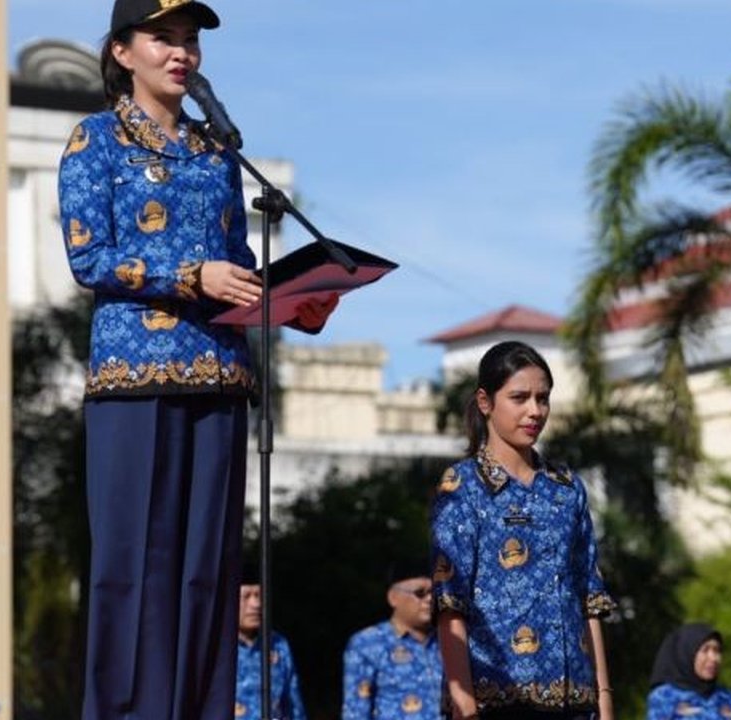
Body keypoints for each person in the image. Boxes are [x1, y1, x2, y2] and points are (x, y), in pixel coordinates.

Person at [57, 1, 334, 718]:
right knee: (133, 570)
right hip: (134, 383)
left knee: (207, 573)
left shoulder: (218, 154)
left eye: (189, 41)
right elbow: (90, 258)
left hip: (220, 381)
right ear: (122, 52)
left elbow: (236, 269)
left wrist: (291, 303)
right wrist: (191, 276)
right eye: (163, 38)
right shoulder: (96, 139)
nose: (181, 53)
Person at [430, 340, 616, 720]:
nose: (535, 411)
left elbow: (589, 600)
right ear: (485, 402)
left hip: (576, 703)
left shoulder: (567, 488)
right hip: (498, 702)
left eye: (542, 399)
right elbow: (450, 604)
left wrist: (604, 697)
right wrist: (464, 704)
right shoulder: (463, 486)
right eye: (519, 398)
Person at [341, 560, 443, 720]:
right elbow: (355, 712)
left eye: (433, 592)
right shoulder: (368, 643)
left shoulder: (449, 641)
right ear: (393, 597)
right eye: (420, 593)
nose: (429, 599)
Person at [234, 576, 307, 720]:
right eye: (246, 596)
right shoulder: (215, 648)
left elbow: (293, 705)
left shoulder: (277, 644)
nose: (256, 604)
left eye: (259, 596)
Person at [646, 623, 731, 720]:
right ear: (688, 654)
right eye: (705, 650)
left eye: (717, 650)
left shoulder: (727, 697)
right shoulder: (665, 697)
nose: (713, 658)